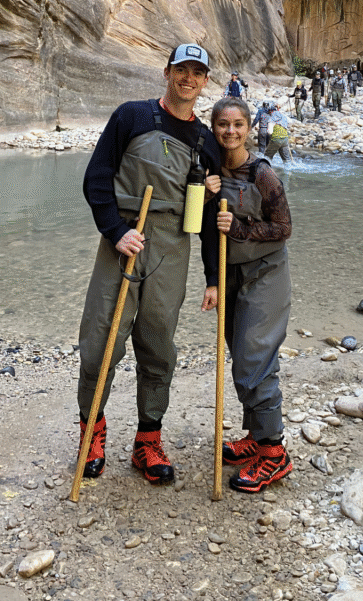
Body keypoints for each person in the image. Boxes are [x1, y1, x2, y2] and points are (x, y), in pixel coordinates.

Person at [78, 43, 222, 484]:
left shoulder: (207, 141)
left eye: (197, 72)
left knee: (158, 346)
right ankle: (92, 431)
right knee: (101, 341)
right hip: (125, 239)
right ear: (167, 72)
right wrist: (115, 231)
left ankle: (148, 438)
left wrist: (213, 277)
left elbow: (212, 219)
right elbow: (97, 178)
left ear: (205, 82)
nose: (188, 78)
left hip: (173, 248)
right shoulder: (132, 116)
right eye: (182, 69)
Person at [202, 97, 293, 493]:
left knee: (255, 357)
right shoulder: (210, 173)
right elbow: (201, 231)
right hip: (231, 274)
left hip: (267, 274)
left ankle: (274, 453)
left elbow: (284, 227)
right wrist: (203, 197)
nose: (230, 132)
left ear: (249, 127)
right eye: (223, 124)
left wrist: (238, 228)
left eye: (238, 124)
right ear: (213, 127)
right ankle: (256, 437)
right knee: (240, 355)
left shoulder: (262, 174)